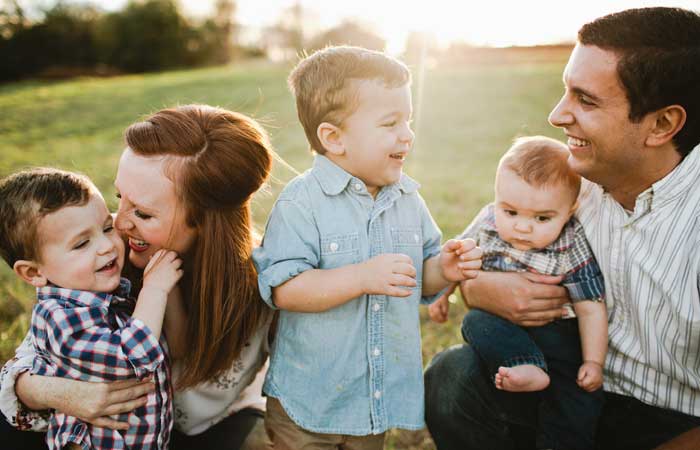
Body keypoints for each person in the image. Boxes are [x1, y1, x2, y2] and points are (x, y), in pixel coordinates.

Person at [424, 7, 700, 450]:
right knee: (451, 378)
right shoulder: (571, 184)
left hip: (673, 424)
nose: (555, 115)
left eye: (585, 100)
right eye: (564, 91)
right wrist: (480, 289)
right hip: (563, 378)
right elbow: (492, 245)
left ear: (662, 124)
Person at [0, 105, 275, 450]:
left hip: (206, 431)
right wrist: (61, 392)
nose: (119, 223)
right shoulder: (100, 256)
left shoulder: (267, 279)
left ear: (204, 221)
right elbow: (31, 359)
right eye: (120, 198)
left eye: (143, 212)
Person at [252, 46, 482, 450]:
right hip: (308, 403)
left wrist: (443, 269)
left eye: (407, 120)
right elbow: (285, 289)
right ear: (334, 138)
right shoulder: (301, 203)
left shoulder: (408, 199)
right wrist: (360, 277)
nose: (407, 134)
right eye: (390, 123)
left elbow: (417, 278)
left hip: (372, 400)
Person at [429, 136, 607, 450]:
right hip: (504, 333)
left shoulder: (571, 241)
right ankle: (526, 365)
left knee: (577, 398)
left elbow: (590, 304)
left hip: (559, 336)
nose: (522, 227)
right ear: (496, 198)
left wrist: (593, 361)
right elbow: (458, 257)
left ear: (570, 210)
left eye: (541, 218)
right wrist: (443, 294)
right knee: (475, 322)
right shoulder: (487, 223)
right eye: (510, 212)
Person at [0, 168, 182, 450]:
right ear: (34, 272)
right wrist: (155, 290)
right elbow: (130, 357)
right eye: (82, 243)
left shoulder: (99, 292)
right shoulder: (61, 317)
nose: (106, 246)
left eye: (106, 228)